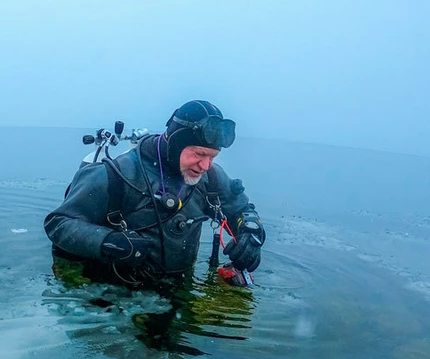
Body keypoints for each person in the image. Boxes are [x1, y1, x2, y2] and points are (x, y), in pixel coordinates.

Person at [44, 100, 265, 287]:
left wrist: (251, 235)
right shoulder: (114, 175)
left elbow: (242, 209)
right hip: (114, 295)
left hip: (179, 289)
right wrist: (108, 241)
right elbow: (59, 223)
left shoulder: (211, 179)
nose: (206, 165)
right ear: (176, 143)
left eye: (213, 157)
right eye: (199, 154)